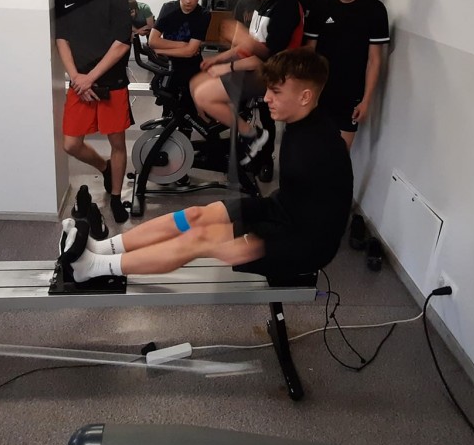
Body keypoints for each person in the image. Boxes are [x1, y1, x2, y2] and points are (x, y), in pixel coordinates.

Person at [58, 48, 352, 283]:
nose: (266, 98)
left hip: (303, 244)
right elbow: (295, 199)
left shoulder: (321, 148)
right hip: (282, 211)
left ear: (305, 96)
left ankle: (94, 268)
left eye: (276, 92)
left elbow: (321, 226)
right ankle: (104, 247)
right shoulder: (302, 122)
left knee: (200, 238)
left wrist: (249, 240)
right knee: (196, 215)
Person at [190, 0, 304, 166]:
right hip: (254, 66)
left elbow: (269, 55)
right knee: (196, 83)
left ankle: (252, 135)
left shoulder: (286, 5)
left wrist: (229, 67)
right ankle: (227, 133)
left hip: (271, 74)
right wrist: (219, 58)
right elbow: (249, 43)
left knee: (204, 95)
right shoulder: (269, 2)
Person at [54, 0, 133, 222]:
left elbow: (122, 43)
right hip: (79, 82)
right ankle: (104, 168)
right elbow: (62, 38)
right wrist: (76, 77)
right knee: (71, 144)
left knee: (118, 143)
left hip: (111, 82)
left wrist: (91, 78)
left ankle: (116, 197)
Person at [303, 0, 391, 150]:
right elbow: (309, 52)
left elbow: (375, 60)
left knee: (340, 154)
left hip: (351, 93)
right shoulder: (322, 7)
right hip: (320, 90)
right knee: (312, 149)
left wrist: (367, 100)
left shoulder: (375, 10)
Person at [148, 0, 210, 91]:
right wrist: (183, 45)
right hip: (168, 67)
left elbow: (190, 52)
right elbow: (152, 41)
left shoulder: (203, 14)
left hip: (192, 70)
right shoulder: (168, 8)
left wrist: (161, 50)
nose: (188, 1)